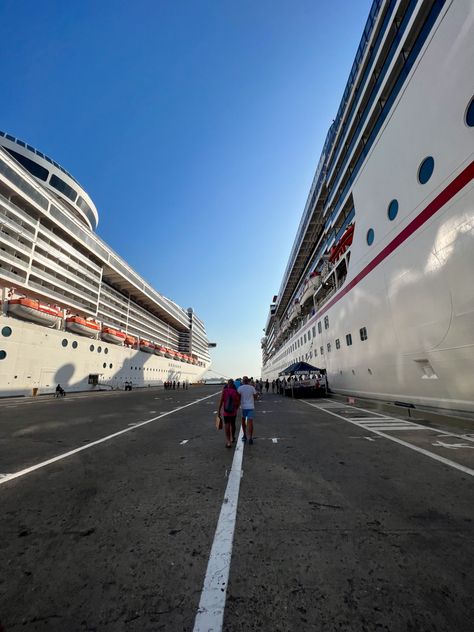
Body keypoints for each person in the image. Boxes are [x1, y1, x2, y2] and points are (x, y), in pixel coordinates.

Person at [217, 379, 240, 448]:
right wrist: (236, 408)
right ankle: (233, 437)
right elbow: (238, 402)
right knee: (233, 424)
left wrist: (219, 411)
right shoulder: (235, 392)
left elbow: (221, 401)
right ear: (233, 384)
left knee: (227, 425)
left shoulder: (224, 391)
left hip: (226, 412)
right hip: (233, 412)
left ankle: (228, 441)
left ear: (228, 384)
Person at [237, 376, 258, 444]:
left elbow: (238, 397)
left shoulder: (240, 388)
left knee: (243, 421)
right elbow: (255, 396)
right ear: (248, 381)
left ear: (243, 381)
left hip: (243, 407)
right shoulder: (252, 387)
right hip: (250, 407)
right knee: (250, 423)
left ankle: (245, 435)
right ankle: (250, 437)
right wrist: (252, 400)